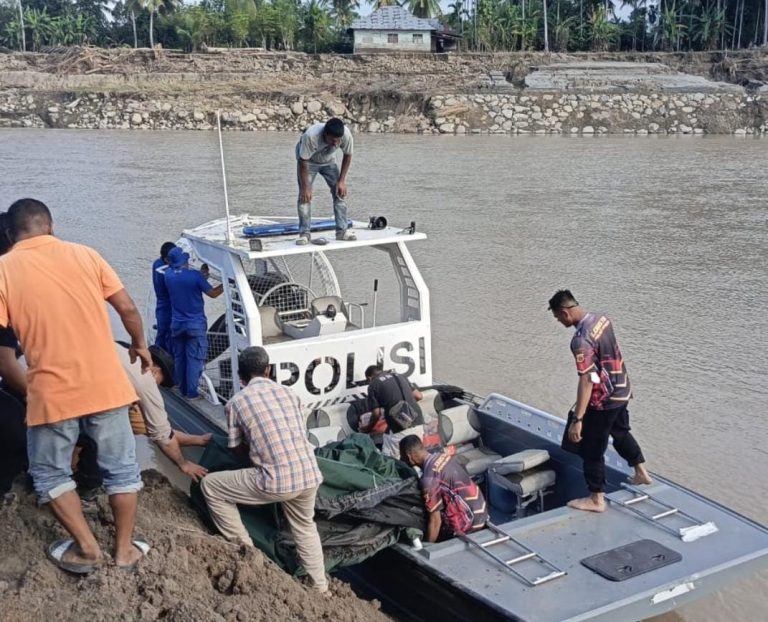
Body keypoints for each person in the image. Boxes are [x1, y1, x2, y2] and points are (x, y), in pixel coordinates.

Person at [0, 198, 149, 573]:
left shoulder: (3, 270)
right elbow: (128, 308)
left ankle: (86, 549)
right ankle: (124, 551)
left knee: (49, 474)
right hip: (107, 386)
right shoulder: (86, 254)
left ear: (9, 234)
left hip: (52, 394)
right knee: (123, 471)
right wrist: (140, 345)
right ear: (50, 226)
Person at [200, 346, 327, 593]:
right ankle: (320, 587)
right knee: (305, 526)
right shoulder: (290, 394)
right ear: (268, 370)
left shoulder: (236, 403)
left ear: (240, 375)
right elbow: (298, 432)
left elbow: (236, 448)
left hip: (275, 481)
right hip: (310, 474)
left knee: (211, 486)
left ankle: (247, 553)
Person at [548, 289, 652, 513]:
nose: (558, 321)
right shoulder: (601, 319)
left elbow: (587, 378)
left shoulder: (580, 340)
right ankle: (641, 471)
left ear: (565, 313)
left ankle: (596, 499)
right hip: (622, 388)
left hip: (604, 400)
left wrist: (579, 418)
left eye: (557, 317)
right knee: (621, 431)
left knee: (592, 448)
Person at [115, 342, 211, 481]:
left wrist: (199, 440)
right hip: (88, 406)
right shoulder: (144, 378)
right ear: (155, 371)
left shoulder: (123, 352)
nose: (157, 386)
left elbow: (158, 431)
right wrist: (183, 464)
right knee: (123, 469)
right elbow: (163, 436)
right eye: (161, 382)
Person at [399, 435, 488, 543]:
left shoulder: (429, 479)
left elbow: (436, 522)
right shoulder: (443, 457)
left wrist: (429, 547)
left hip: (471, 523)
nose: (401, 460)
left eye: (402, 457)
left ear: (409, 457)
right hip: (482, 513)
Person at [164, 246, 223, 399]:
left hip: (177, 325)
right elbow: (213, 294)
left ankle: (181, 389)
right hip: (195, 325)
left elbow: (188, 279)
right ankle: (192, 393)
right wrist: (227, 283)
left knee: (180, 358)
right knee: (194, 360)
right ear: (185, 261)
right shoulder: (195, 276)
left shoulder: (168, 275)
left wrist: (202, 276)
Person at [295, 117, 356, 245]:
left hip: (328, 162)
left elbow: (348, 155)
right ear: (325, 135)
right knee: (304, 197)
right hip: (308, 163)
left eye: (338, 140)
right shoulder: (311, 136)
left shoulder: (346, 135)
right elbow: (302, 161)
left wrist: (342, 181)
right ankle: (304, 234)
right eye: (333, 140)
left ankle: (342, 232)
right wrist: (305, 188)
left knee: (340, 193)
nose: (336, 143)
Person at [360, 364, 424, 460]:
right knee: (415, 458)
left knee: (391, 459)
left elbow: (376, 414)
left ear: (369, 378)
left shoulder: (373, 385)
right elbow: (419, 396)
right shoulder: (400, 376)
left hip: (399, 427)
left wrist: (367, 429)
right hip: (418, 421)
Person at [152, 241, 176, 354]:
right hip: (167, 306)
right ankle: (161, 359)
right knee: (167, 334)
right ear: (166, 259)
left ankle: (158, 356)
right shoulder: (162, 270)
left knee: (163, 332)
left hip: (162, 305)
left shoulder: (157, 263)